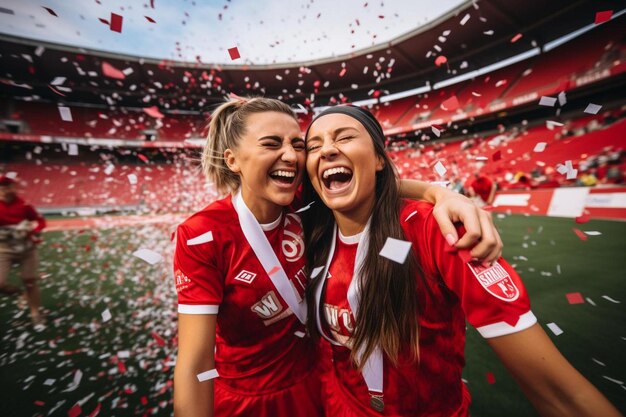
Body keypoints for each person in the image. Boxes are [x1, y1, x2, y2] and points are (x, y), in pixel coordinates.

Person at [172, 97, 504, 417]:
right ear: (232, 160)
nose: (291, 156)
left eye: (297, 145)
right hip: (253, 399)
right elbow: (195, 364)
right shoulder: (202, 234)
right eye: (272, 144)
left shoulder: (304, 198)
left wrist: (441, 193)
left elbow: (376, 183)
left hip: (324, 381)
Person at [302, 105, 621, 417]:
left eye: (344, 138)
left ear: (380, 160)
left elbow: (560, 394)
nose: (327, 150)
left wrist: (443, 196)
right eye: (314, 145)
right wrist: (437, 191)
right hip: (337, 403)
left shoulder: (439, 230)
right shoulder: (309, 228)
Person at [0, 175, 46, 325]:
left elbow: (40, 221)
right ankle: (20, 293)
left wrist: (33, 230)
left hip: (27, 249)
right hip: (4, 249)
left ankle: (35, 313)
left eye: (8, 186)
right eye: (2, 187)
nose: (5, 190)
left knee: (29, 280)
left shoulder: (24, 205)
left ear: (13, 187)